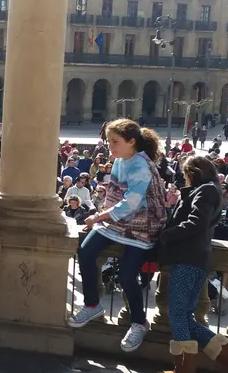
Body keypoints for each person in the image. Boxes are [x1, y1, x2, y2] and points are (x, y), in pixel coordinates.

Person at [68, 119, 167, 353]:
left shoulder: (141, 166)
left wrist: (98, 218)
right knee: (86, 250)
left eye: (115, 142)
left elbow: (130, 204)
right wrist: (101, 217)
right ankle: (92, 304)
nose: (109, 147)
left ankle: (139, 322)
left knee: (127, 276)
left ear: (131, 142)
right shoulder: (121, 161)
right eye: (108, 141)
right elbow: (115, 195)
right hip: (117, 222)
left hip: (142, 226)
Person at [159, 156, 228, 371]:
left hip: (187, 259)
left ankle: (184, 369)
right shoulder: (211, 190)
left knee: (177, 314)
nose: (184, 179)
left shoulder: (205, 190)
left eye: (185, 175)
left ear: (193, 173)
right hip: (194, 258)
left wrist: (166, 235)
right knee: (185, 317)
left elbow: (195, 222)